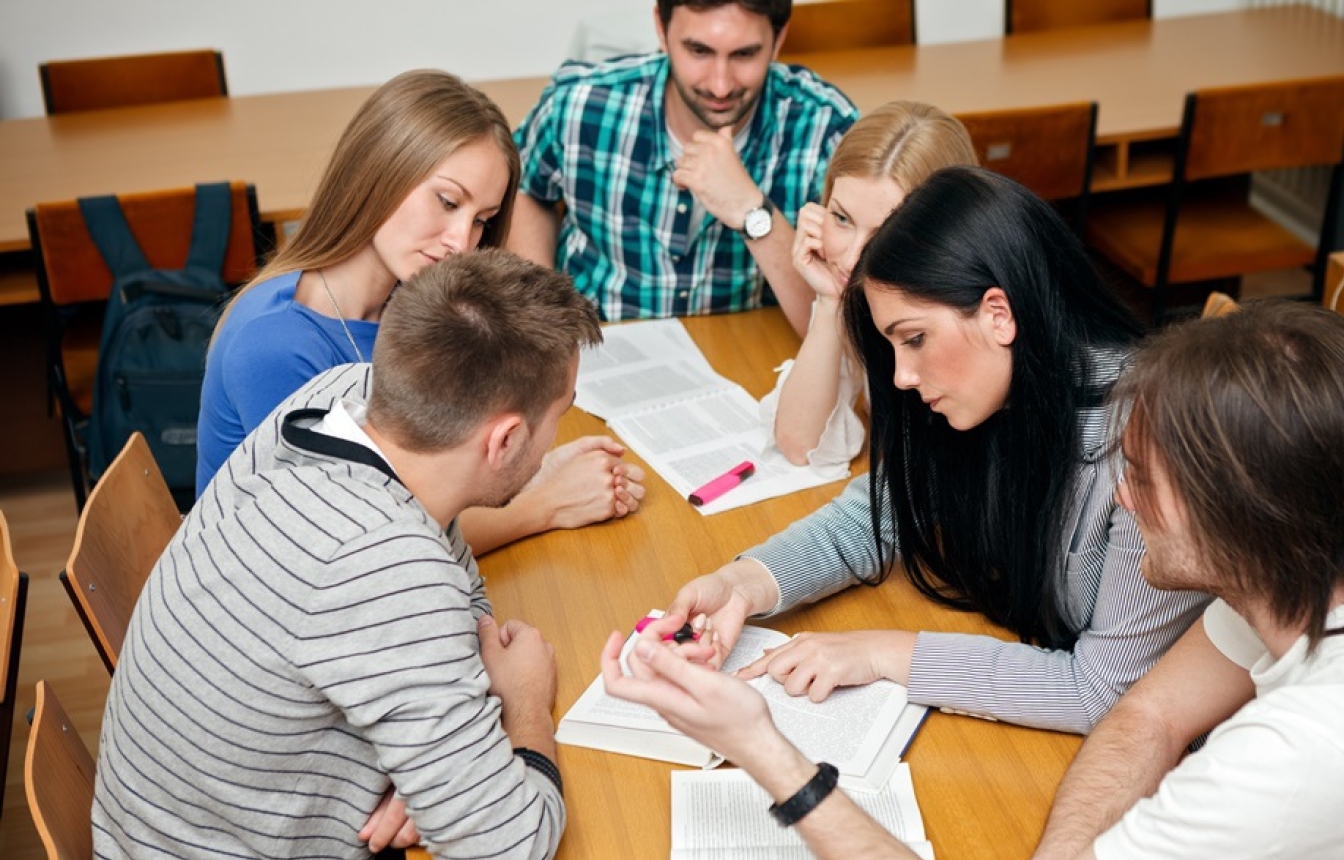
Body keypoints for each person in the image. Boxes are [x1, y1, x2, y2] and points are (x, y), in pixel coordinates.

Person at [604, 301, 1344, 860]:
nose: (1120, 495)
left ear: (1244, 517)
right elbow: (1148, 713)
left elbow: (1134, 711)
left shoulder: (1299, 756)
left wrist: (767, 749)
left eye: (1145, 480)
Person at [658, 166, 1208, 734]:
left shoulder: (1152, 445)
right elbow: (878, 516)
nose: (900, 376)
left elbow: (1101, 691)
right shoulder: (999, 395)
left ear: (999, 314)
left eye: (915, 338)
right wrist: (743, 584)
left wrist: (884, 652)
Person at [97, 249, 592, 859]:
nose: (554, 441)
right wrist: (524, 706)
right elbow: (507, 844)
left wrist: (436, 776)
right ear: (507, 438)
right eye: (559, 415)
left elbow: (463, 615)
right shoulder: (387, 565)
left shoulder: (341, 401)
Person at [198, 69, 644, 553]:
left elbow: (417, 483)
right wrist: (545, 503)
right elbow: (356, 541)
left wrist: (531, 470)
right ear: (379, 171)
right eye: (447, 201)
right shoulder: (276, 347)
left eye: (482, 221)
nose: (462, 241)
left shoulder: (401, 300)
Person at [507, 0, 858, 333]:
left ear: (778, 39)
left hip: (742, 353)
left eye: (745, 54)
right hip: (594, 345)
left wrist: (753, 213)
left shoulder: (827, 130)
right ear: (661, 28)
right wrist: (542, 315)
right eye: (699, 51)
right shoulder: (579, 102)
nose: (720, 85)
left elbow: (839, 327)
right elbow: (527, 188)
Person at [762, 100, 978, 468]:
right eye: (841, 217)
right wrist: (830, 302)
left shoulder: (960, 317)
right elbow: (800, 444)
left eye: (885, 234)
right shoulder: (862, 297)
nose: (850, 259)